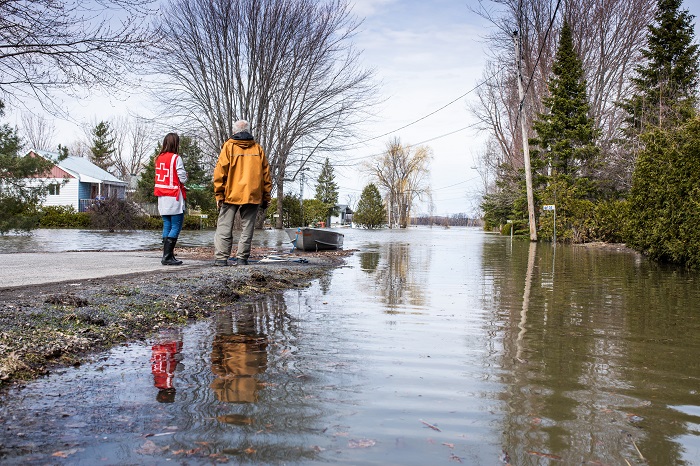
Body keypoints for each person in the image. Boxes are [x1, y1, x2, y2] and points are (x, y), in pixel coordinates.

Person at [213, 120, 272, 266]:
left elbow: (220, 173)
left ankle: (221, 258)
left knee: (224, 227)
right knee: (248, 228)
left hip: (231, 193)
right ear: (248, 131)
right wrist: (266, 197)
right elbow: (266, 175)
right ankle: (242, 258)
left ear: (234, 132)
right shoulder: (258, 149)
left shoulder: (228, 147)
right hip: (252, 194)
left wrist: (219, 194)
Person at [154, 133, 188, 266]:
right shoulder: (176, 158)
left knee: (166, 224)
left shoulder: (158, 158)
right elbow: (182, 178)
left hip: (162, 197)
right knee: (176, 226)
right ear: (176, 144)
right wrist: (185, 176)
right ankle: (167, 256)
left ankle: (167, 255)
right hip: (174, 196)